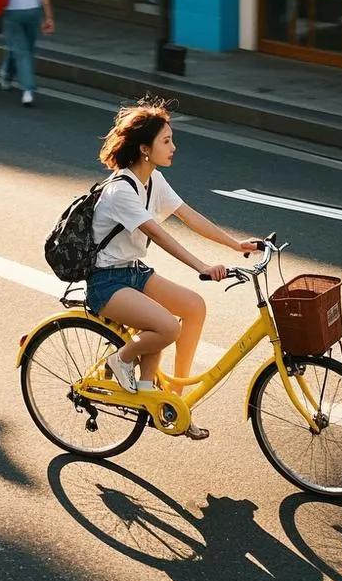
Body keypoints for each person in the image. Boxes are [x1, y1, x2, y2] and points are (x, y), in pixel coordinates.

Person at [87, 100, 263, 440]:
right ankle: (120, 361)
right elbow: (160, 234)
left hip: (134, 273)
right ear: (144, 148)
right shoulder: (121, 191)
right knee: (168, 327)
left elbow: (189, 216)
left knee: (193, 307)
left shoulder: (154, 181)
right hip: (106, 282)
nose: (173, 147)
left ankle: (176, 405)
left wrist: (234, 244)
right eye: (166, 141)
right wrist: (202, 265)